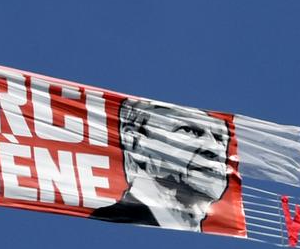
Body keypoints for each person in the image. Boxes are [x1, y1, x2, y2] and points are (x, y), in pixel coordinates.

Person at [91, 97, 231, 230]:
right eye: (189, 130)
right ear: (134, 141)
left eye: (221, 139)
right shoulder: (108, 221)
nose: (215, 148)